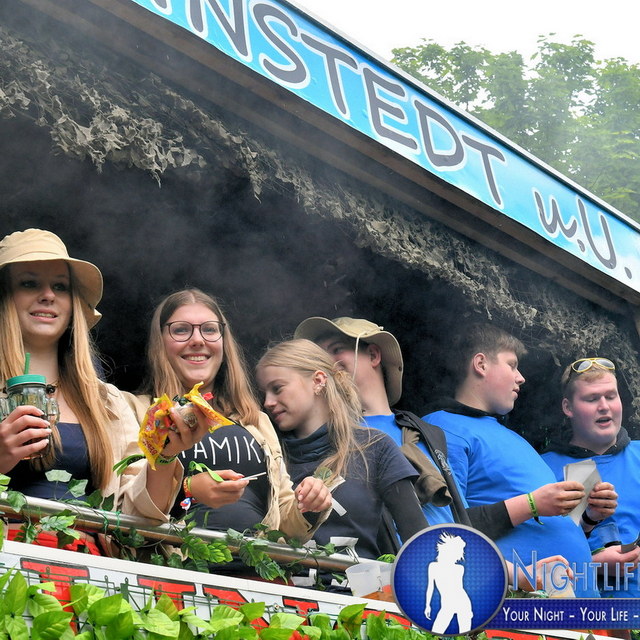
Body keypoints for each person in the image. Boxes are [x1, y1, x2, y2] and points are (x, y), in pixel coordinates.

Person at [0, 229, 200, 554]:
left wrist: (164, 456)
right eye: (29, 283)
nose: (48, 295)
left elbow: (136, 523)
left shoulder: (108, 402)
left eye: (60, 286)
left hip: (90, 571)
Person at [424, 323, 615, 598]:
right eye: (512, 365)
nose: (521, 377)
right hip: (521, 606)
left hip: (578, 604)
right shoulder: (441, 428)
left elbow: (547, 528)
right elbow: (443, 530)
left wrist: (589, 518)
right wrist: (532, 504)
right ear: (481, 364)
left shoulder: (513, 438)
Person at [126, 289, 331, 543]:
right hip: (174, 561)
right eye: (180, 330)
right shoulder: (133, 409)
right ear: (160, 342)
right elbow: (127, 508)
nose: (197, 340)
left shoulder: (256, 421)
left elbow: (284, 524)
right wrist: (188, 489)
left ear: (224, 342)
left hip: (255, 564)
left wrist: (309, 504)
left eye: (209, 330)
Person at [293, 316, 512, 540]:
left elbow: (457, 515)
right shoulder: (326, 437)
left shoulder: (425, 432)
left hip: (447, 556)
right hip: (386, 561)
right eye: (318, 358)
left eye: (336, 349)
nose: (326, 362)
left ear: (373, 355)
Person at [256, 338, 428, 560]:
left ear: (318, 381)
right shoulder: (267, 454)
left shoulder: (375, 447)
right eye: (264, 393)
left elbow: (419, 539)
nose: (268, 402)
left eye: (277, 388)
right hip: (279, 582)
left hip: (361, 582)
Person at [542, 357, 640, 597]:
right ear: (568, 408)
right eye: (592, 399)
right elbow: (534, 555)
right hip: (588, 611)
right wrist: (592, 564)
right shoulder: (544, 468)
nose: (604, 406)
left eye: (611, 396)